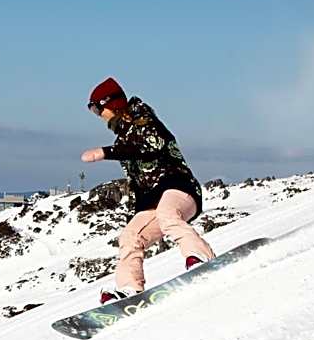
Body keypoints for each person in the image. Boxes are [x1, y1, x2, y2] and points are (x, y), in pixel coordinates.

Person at [81, 77, 215, 304]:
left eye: (97, 109)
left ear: (110, 103)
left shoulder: (144, 120)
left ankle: (202, 257)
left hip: (179, 188)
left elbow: (150, 146)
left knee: (167, 214)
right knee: (131, 236)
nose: (98, 115)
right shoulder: (123, 136)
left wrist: (107, 152)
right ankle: (129, 289)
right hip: (152, 201)